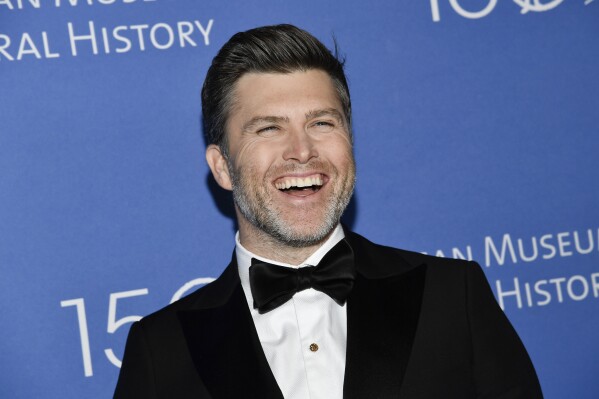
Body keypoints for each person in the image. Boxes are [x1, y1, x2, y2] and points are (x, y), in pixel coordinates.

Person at [114, 24, 543, 399]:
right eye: (269, 128)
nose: (301, 151)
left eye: (322, 123)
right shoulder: (161, 350)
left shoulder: (453, 296)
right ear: (222, 167)